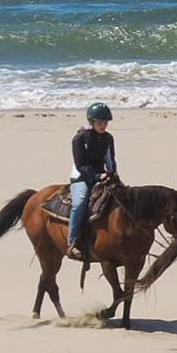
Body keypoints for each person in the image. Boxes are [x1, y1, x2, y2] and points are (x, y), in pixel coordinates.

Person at [67, 102, 117, 261]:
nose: (103, 126)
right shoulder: (79, 138)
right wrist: (96, 177)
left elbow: (110, 159)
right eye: (99, 123)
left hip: (102, 175)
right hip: (81, 177)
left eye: (105, 123)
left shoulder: (108, 138)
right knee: (80, 203)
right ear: (91, 122)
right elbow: (80, 164)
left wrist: (113, 174)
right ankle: (72, 241)